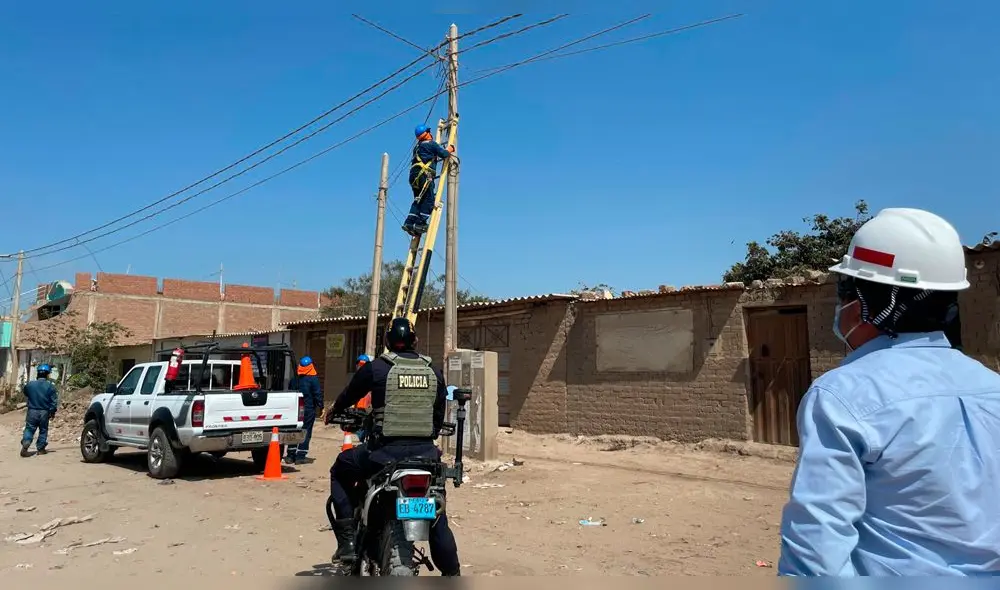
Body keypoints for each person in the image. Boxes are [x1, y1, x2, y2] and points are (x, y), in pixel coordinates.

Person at [777, 207, 1000, 576]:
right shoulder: (992, 387)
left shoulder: (841, 396)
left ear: (868, 304)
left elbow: (816, 549)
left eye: (845, 292)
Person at [324, 317, 461, 576]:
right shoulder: (433, 371)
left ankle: (348, 543)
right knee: (437, 515)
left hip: (383, 455)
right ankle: (452, 572)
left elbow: (350, 393)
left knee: (340, 468)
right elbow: (437, 417)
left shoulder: (378, 368)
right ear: (415, 341)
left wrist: (335, 410)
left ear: (387, 342)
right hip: (425, 457)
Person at [402, 123, 455, 237]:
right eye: (428, 132)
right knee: (429, 200)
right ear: (425, 134)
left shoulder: (417, 147)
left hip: (413, 176)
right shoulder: (431, 144)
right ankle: (420, 223)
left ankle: (410, 222)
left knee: (418, 199)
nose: (431, 134)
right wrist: (450, 148)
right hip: (424, 175)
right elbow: (444, 154)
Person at [285, 356, 323, 465]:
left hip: (295, 410)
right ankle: (300, 456)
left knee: (294, 430)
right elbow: (317, 394)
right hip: (308, 410)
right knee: (305, 431)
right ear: (311, 366)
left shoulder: (294, 379)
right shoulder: (313, 379)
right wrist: (321, 406)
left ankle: (290, 455)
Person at [21, 363, 58, 458]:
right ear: (47, 374)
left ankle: (26, 442)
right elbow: (53, 402)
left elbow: (25, 392)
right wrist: (52, 412)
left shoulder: (30, 385)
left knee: (29, 428)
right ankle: (41, 449)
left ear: (38, 373)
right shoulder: (50, 386)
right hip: (44, 412)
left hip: (32, 411)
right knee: (43, 430)